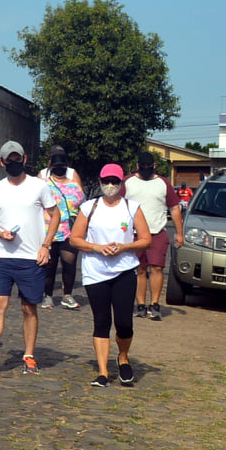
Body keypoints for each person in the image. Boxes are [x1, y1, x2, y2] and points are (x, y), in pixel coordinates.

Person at [0, 140, 60, 376]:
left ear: (24, 159)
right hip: (2, 256)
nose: (13, 163)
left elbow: (55, 214)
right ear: (1, 162)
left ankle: (29, 355)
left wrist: (46, 245)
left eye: (17, 158)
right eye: (8, 160)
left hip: (32, 257)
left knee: (29, 308)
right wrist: (0, 232)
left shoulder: (39, 186)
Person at [76, 165, 151, 387]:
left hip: (124, 270)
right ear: (100, 181)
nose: (110, 186)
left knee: (124, 322)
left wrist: (125, 247)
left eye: (115, 181)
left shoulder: (132, 207)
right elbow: (75, 238)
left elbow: (146, 239)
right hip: (95, 272)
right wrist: (97, 248)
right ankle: (102, 371)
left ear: (121, 183)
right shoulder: (89, 207)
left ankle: (123, 358)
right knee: (101, 321)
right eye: (106, 181)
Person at [125, 151, 181, 321]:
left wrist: (179, 233)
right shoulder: (128, 182)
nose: (146, 168)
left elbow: (174, 208)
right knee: (140, 269)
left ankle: (154, 304)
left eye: (149, 166)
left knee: (156, 268)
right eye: (143, 166)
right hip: (134, 234)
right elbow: (118, 205)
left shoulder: (163, 183)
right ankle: (140, 305)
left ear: (154, 166)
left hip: (156, 232)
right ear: (137, 166)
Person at [40, 146, 85, 310]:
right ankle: (48, 296)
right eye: (56, 165)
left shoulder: (74, 183)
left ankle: (68, 295)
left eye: (62, 165)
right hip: (48, 230)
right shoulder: (43, 182)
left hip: (69, 230)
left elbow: (82, 204)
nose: (59, 168)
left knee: (69, 262)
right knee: (49, 265)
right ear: (51, 165)